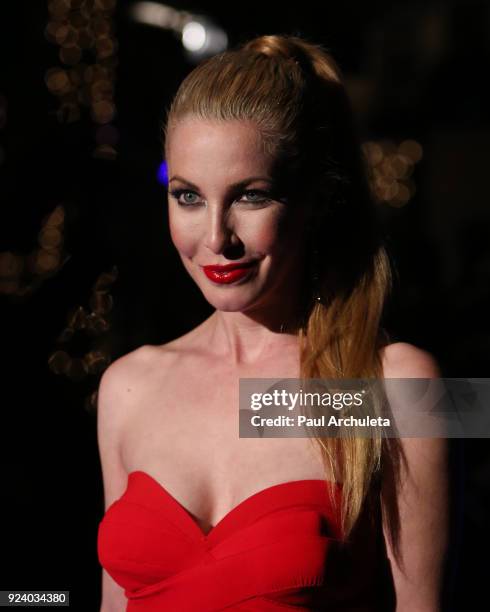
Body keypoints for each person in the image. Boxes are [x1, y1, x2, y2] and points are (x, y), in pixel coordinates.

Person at [96, 34, 448, 611]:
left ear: (315, 198)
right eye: (187, 197)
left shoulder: (402, 387)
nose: (215, 239)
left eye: (251, 197)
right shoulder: (127, 387)